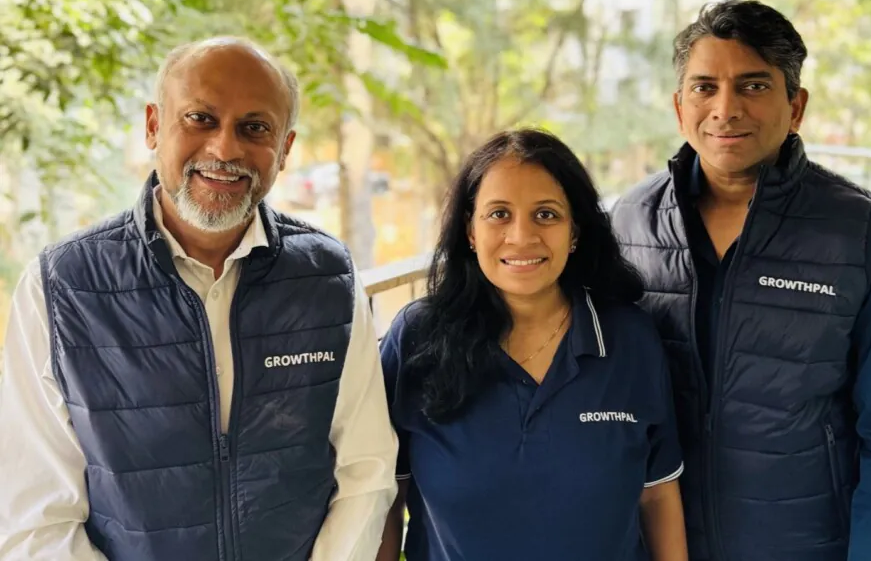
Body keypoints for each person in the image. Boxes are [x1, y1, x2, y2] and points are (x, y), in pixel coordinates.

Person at [0, 37, 398, 561]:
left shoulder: (327, 279)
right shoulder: (61, 288)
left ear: (285, 148)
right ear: (152, 126)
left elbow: (366, 469)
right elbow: (36, 513)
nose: (225, 149)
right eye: (200, 119)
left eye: (254, 128)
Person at [611, 0, 871, 561]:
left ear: (796, 106)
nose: (725, 109)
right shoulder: (629, 223)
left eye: (754, 86)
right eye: (705, 87)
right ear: (679, 106)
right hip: (662, 546)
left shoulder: (862, 234)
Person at [375, 128, 688, 561]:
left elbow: (657, 495)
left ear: (575, 231)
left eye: (545, 214)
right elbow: (384, 500)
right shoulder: (417, 338)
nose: (521, 236)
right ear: (470, 230)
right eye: (499, 214)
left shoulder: (628, 339)